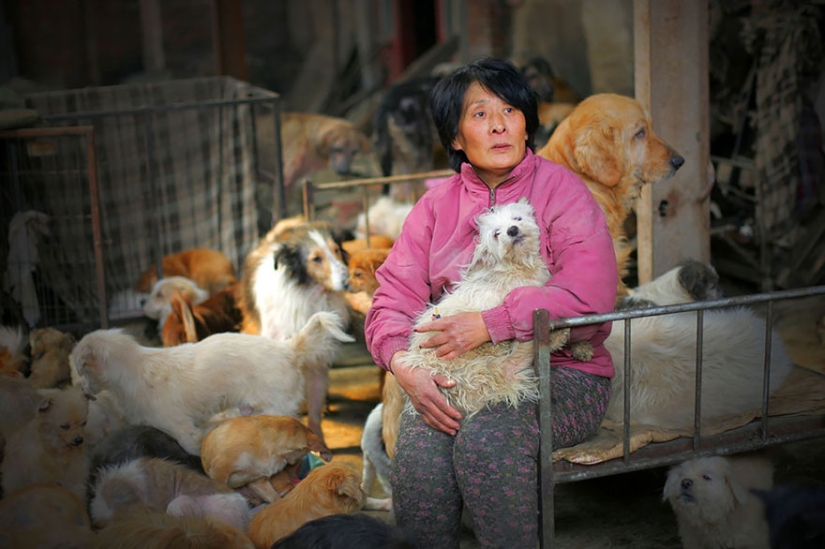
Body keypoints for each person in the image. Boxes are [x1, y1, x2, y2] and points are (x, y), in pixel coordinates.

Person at [364, 57, 618, 549]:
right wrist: (403, 365)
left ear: (527, 122)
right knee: (419, 457)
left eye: (511, 110)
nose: (499, 124)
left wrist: (494, 322)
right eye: (479, 114)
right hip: (458, 372)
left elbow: (590, 299)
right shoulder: (435, 206)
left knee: (488, 443)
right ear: (456, 137)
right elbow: (391, 299)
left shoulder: (564, 193)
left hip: (558, 371)